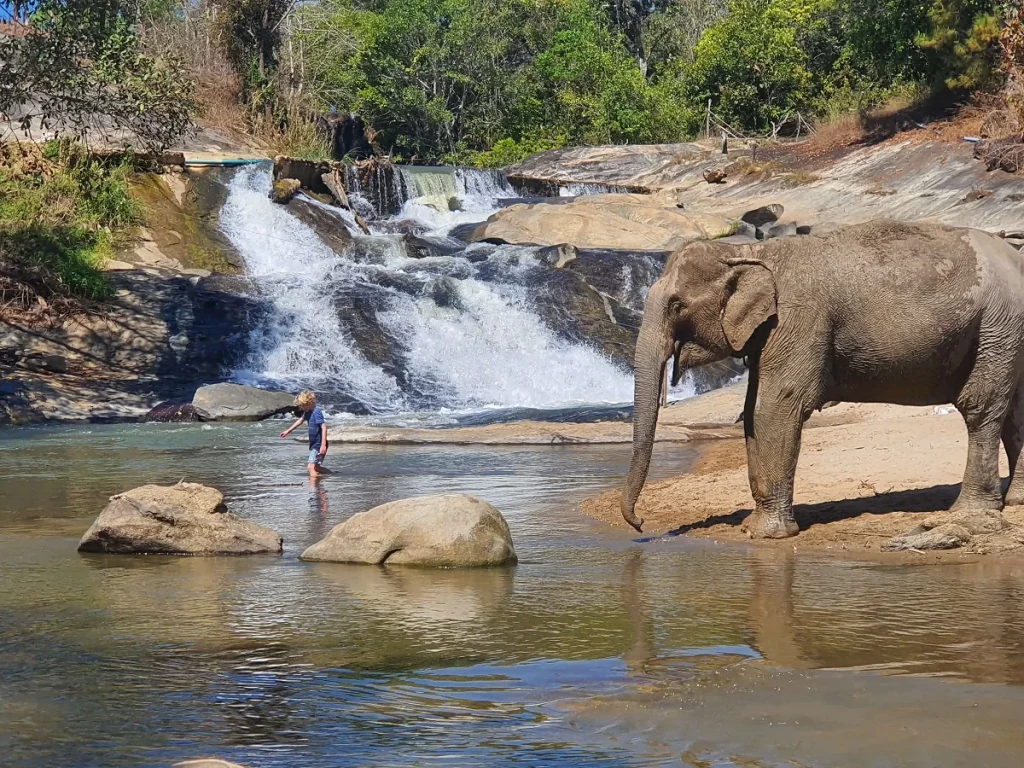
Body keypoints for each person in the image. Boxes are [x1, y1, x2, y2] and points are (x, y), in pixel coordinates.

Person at [280, 390, 328, 478]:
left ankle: (314, 486)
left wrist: (323, 445)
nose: (301, 408)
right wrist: (288, 431)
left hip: (318, 445)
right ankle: (333, 475)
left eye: (302, 406)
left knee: (310, 467)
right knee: (316, 467)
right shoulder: (308, 412)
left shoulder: (316, 412)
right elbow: (300, 421)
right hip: (315, 444)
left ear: (309, 403)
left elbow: (324, 427)